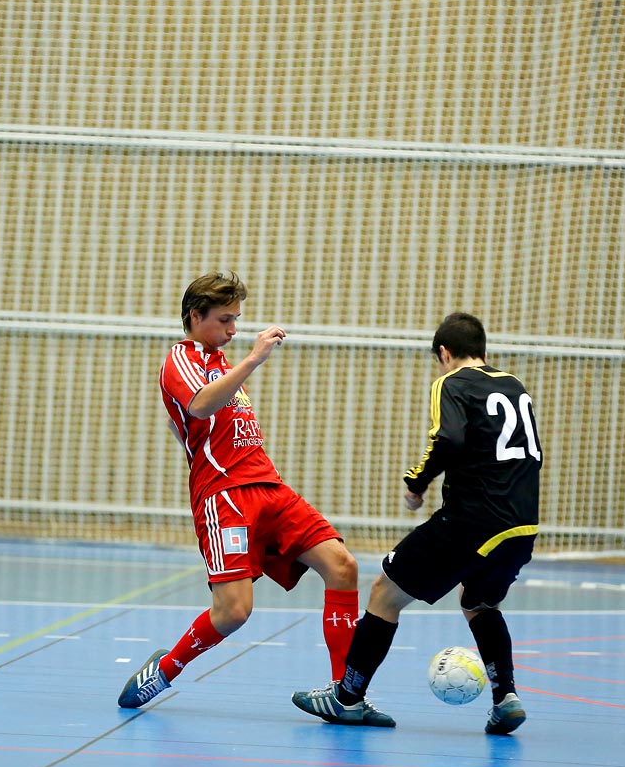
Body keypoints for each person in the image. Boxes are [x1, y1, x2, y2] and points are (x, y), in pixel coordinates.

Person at [117, 271, 390, 725]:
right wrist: (254, 358)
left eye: (237, 320)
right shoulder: (180, 358)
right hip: (224, 496)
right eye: (224, 320)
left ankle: (346, 698)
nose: (233, 330)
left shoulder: (222, 363)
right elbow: (200, 405)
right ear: (194, 316)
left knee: (343, 566)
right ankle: (165, 670)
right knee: (234, 612)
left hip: (268, 485)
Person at [291, 312, 541, 734]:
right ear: (484, 350)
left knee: (384, 592)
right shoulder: (514, 385)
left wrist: (416, 483)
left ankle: (346, 698)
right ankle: (506, 698)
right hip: (521, 527)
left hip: (472, 520)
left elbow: (450, 438)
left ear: (444, 353)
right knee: (478, 603)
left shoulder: (452, 382)